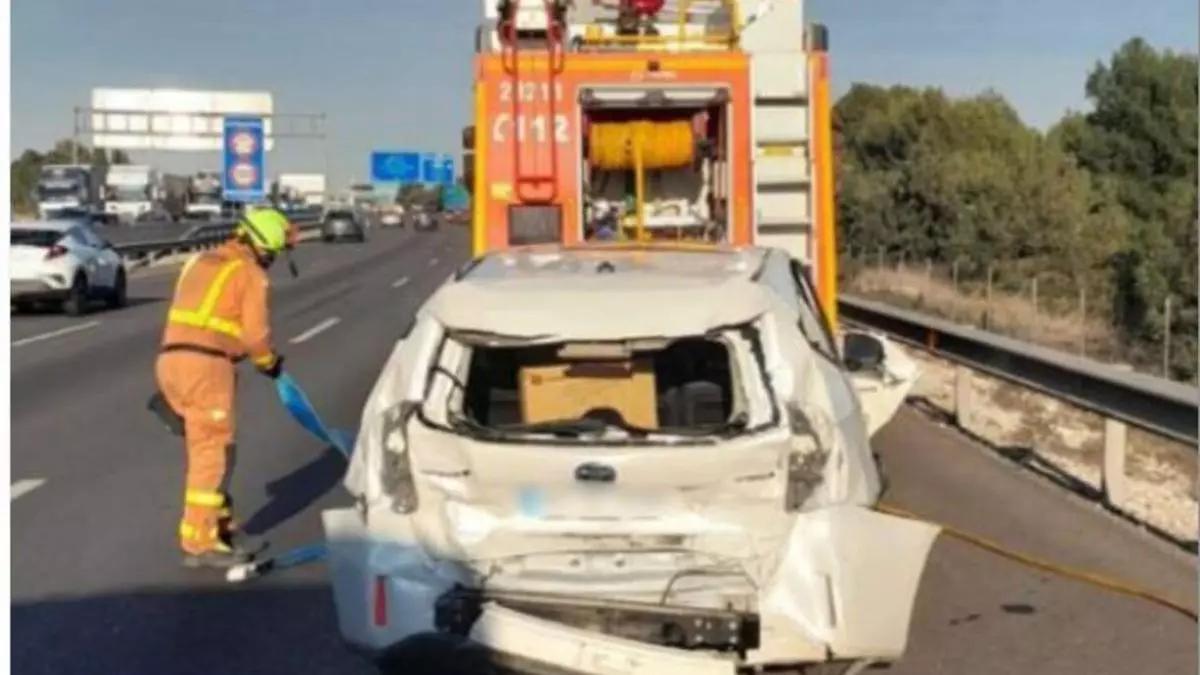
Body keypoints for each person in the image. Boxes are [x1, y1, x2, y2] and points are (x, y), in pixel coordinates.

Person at [155, 207, 293, 568]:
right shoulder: (250, 274)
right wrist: (269, 363)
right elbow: (255, 335)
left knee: (214, 449)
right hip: (207, 367)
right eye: (273, 254)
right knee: (211, 453)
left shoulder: (199, 261)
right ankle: (201, 542)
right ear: (264, 248)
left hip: (171, 362)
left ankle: (222, 527)